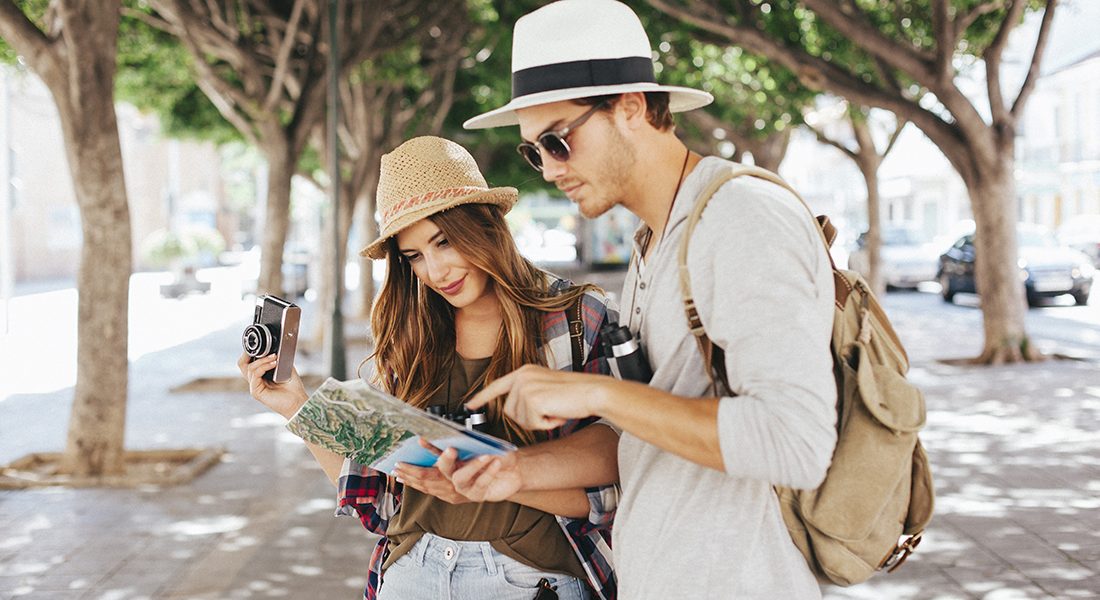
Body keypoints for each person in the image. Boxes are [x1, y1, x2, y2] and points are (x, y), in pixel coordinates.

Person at [449, 1, 839, 598]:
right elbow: (647, 437)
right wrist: (515, 471)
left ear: (630, 106)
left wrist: (597, 390)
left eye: (557, 141)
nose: (549, 170)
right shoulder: (656, 239)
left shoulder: (740, 218)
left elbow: (796, 442)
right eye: (534, 152)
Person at [238, 136, 619, 600]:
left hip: (527, 579)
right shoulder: (409, 340)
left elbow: (609, 487)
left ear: (485, 224)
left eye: (444, 241)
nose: (436, 271)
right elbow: (379, 499)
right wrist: (298, 408)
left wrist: (486, 484)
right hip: (410, 574)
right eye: (414, 255)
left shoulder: (576, 319)